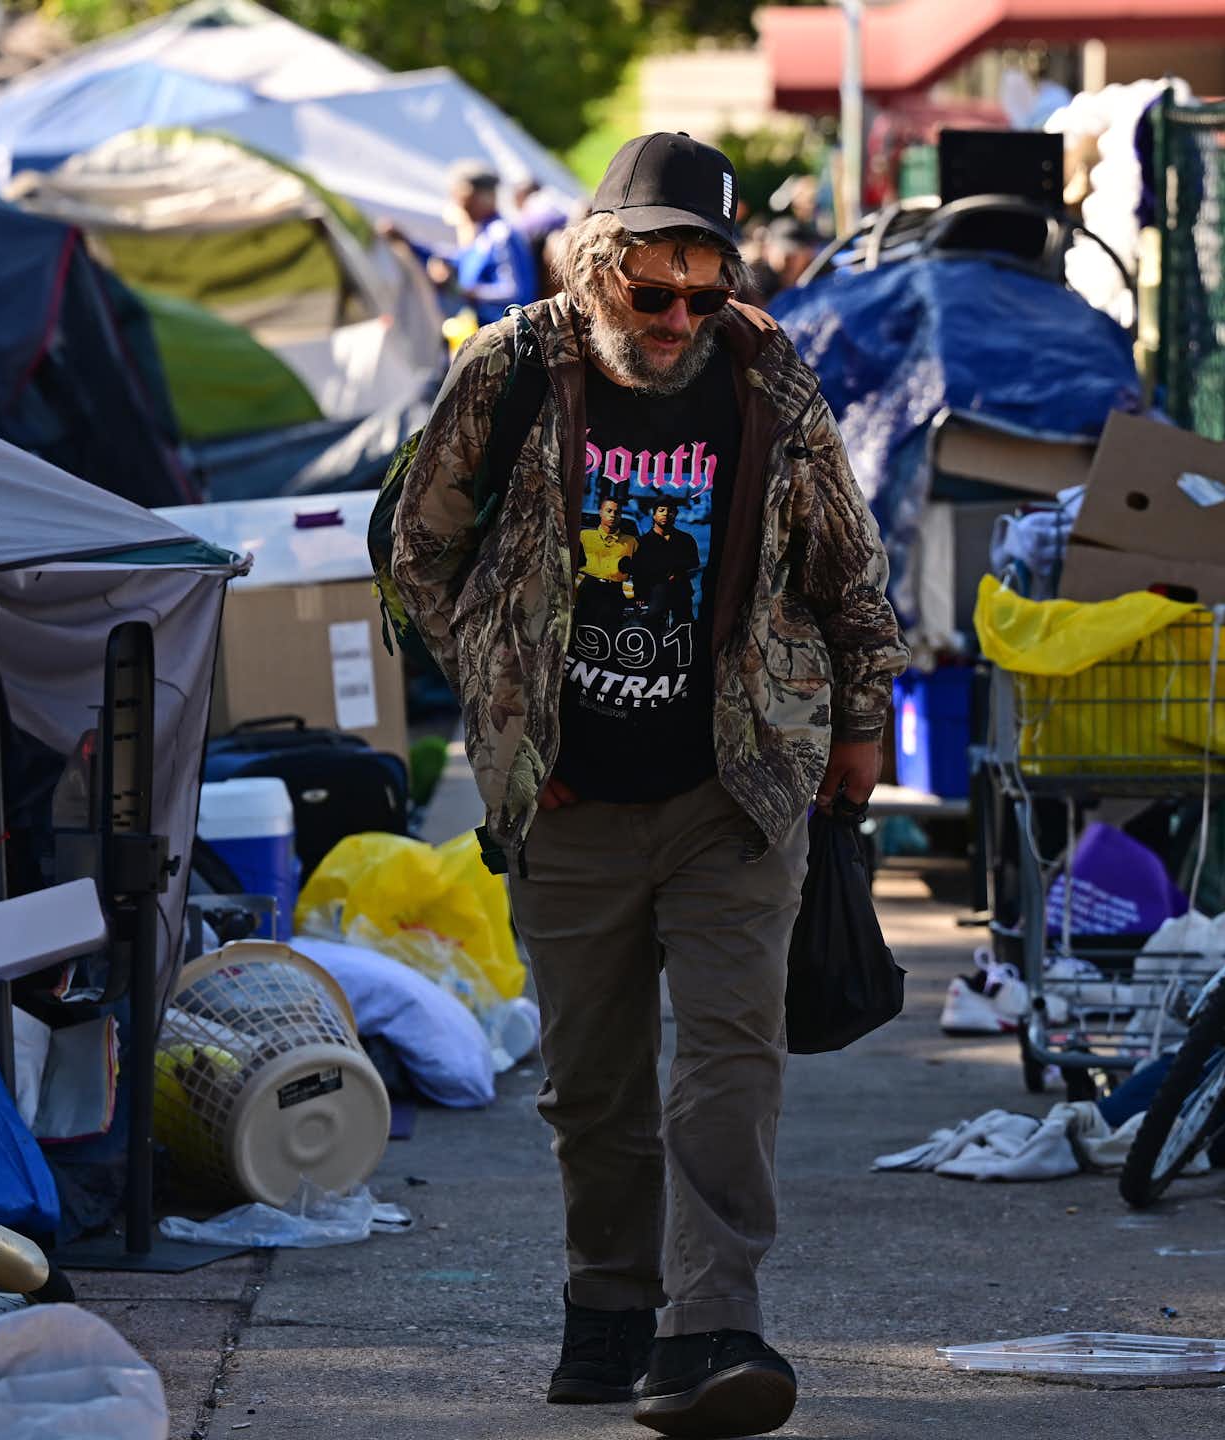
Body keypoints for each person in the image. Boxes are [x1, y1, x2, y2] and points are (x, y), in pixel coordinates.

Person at [389, 132, 905, 1439]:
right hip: (570, 799)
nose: (678, 320)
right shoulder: (509, 373)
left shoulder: (766, 378)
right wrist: (505, 717)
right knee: (593, 1083)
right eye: (652, 291)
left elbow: (851, 572)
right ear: (597, 264)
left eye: (705, 290)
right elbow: (418, 557)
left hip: (734, 787)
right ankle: (608, 1314)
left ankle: (712, 1328)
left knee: (728, 1063)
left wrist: (858, 724)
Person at [397, 162, 540, 325]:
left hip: (509, 334)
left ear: (484, 197)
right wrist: (408, 243)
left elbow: (513, 291)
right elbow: (452, 257)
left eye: (465, 198)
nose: (461, 205)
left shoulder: (501, 235)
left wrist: (466, 292)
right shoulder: (482, 236)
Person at [627, 497, 700, 630]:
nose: (666, 514)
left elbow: (694, 562)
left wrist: (677, 570)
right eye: (661, 510)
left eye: (670, 511)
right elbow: (637, 572)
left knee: (685, 628)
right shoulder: (641, 542)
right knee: (652, 627)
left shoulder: (686, 540)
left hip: (681, 591)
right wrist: (639, 595)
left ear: (676, 514)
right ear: (654, 514)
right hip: (654, 593)